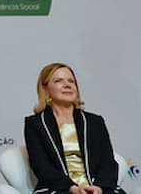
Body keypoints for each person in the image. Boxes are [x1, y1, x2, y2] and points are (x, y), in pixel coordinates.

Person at [23, 63, 125, 194]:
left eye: (71, 81)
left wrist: (98, 188)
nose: (67, 85)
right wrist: (73, 188)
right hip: (58, 189)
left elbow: (108, 163)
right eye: (59, 81)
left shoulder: (94, 122)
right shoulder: (35, 124)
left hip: (96, 188)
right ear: (46, 89)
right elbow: (42, 167)